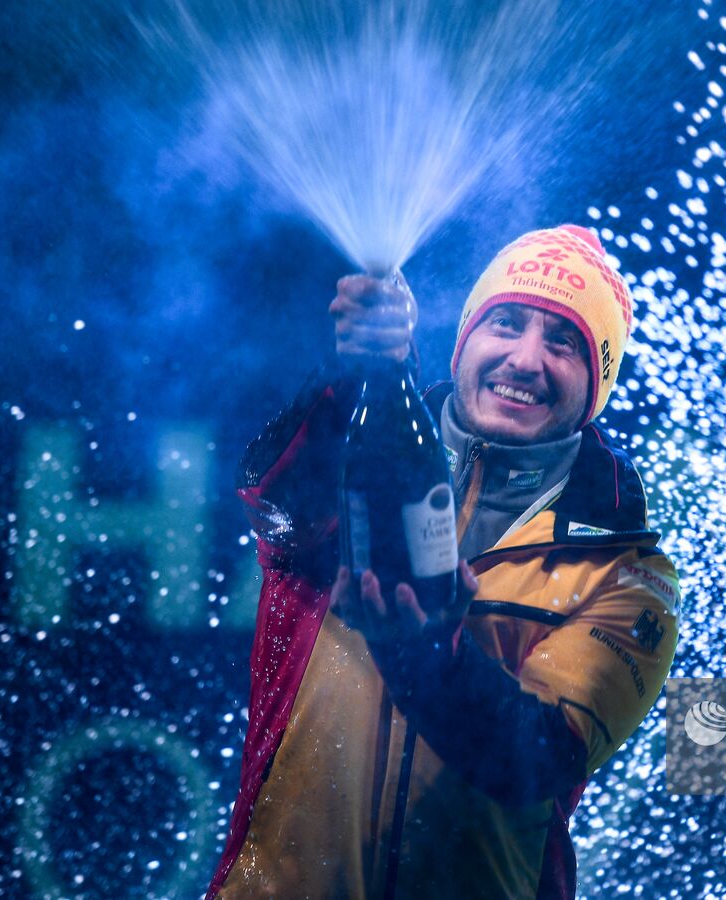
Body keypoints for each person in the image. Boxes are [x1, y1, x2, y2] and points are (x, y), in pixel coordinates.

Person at [208, 225, 679, 899]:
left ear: (597, 383)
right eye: (506, 324)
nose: (524, 359)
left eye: (564, 343)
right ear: (463, 342)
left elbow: (533, 757)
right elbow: (275, 508)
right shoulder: (357, 461)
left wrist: (424, 651)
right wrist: (352, 377)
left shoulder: (626, 572)